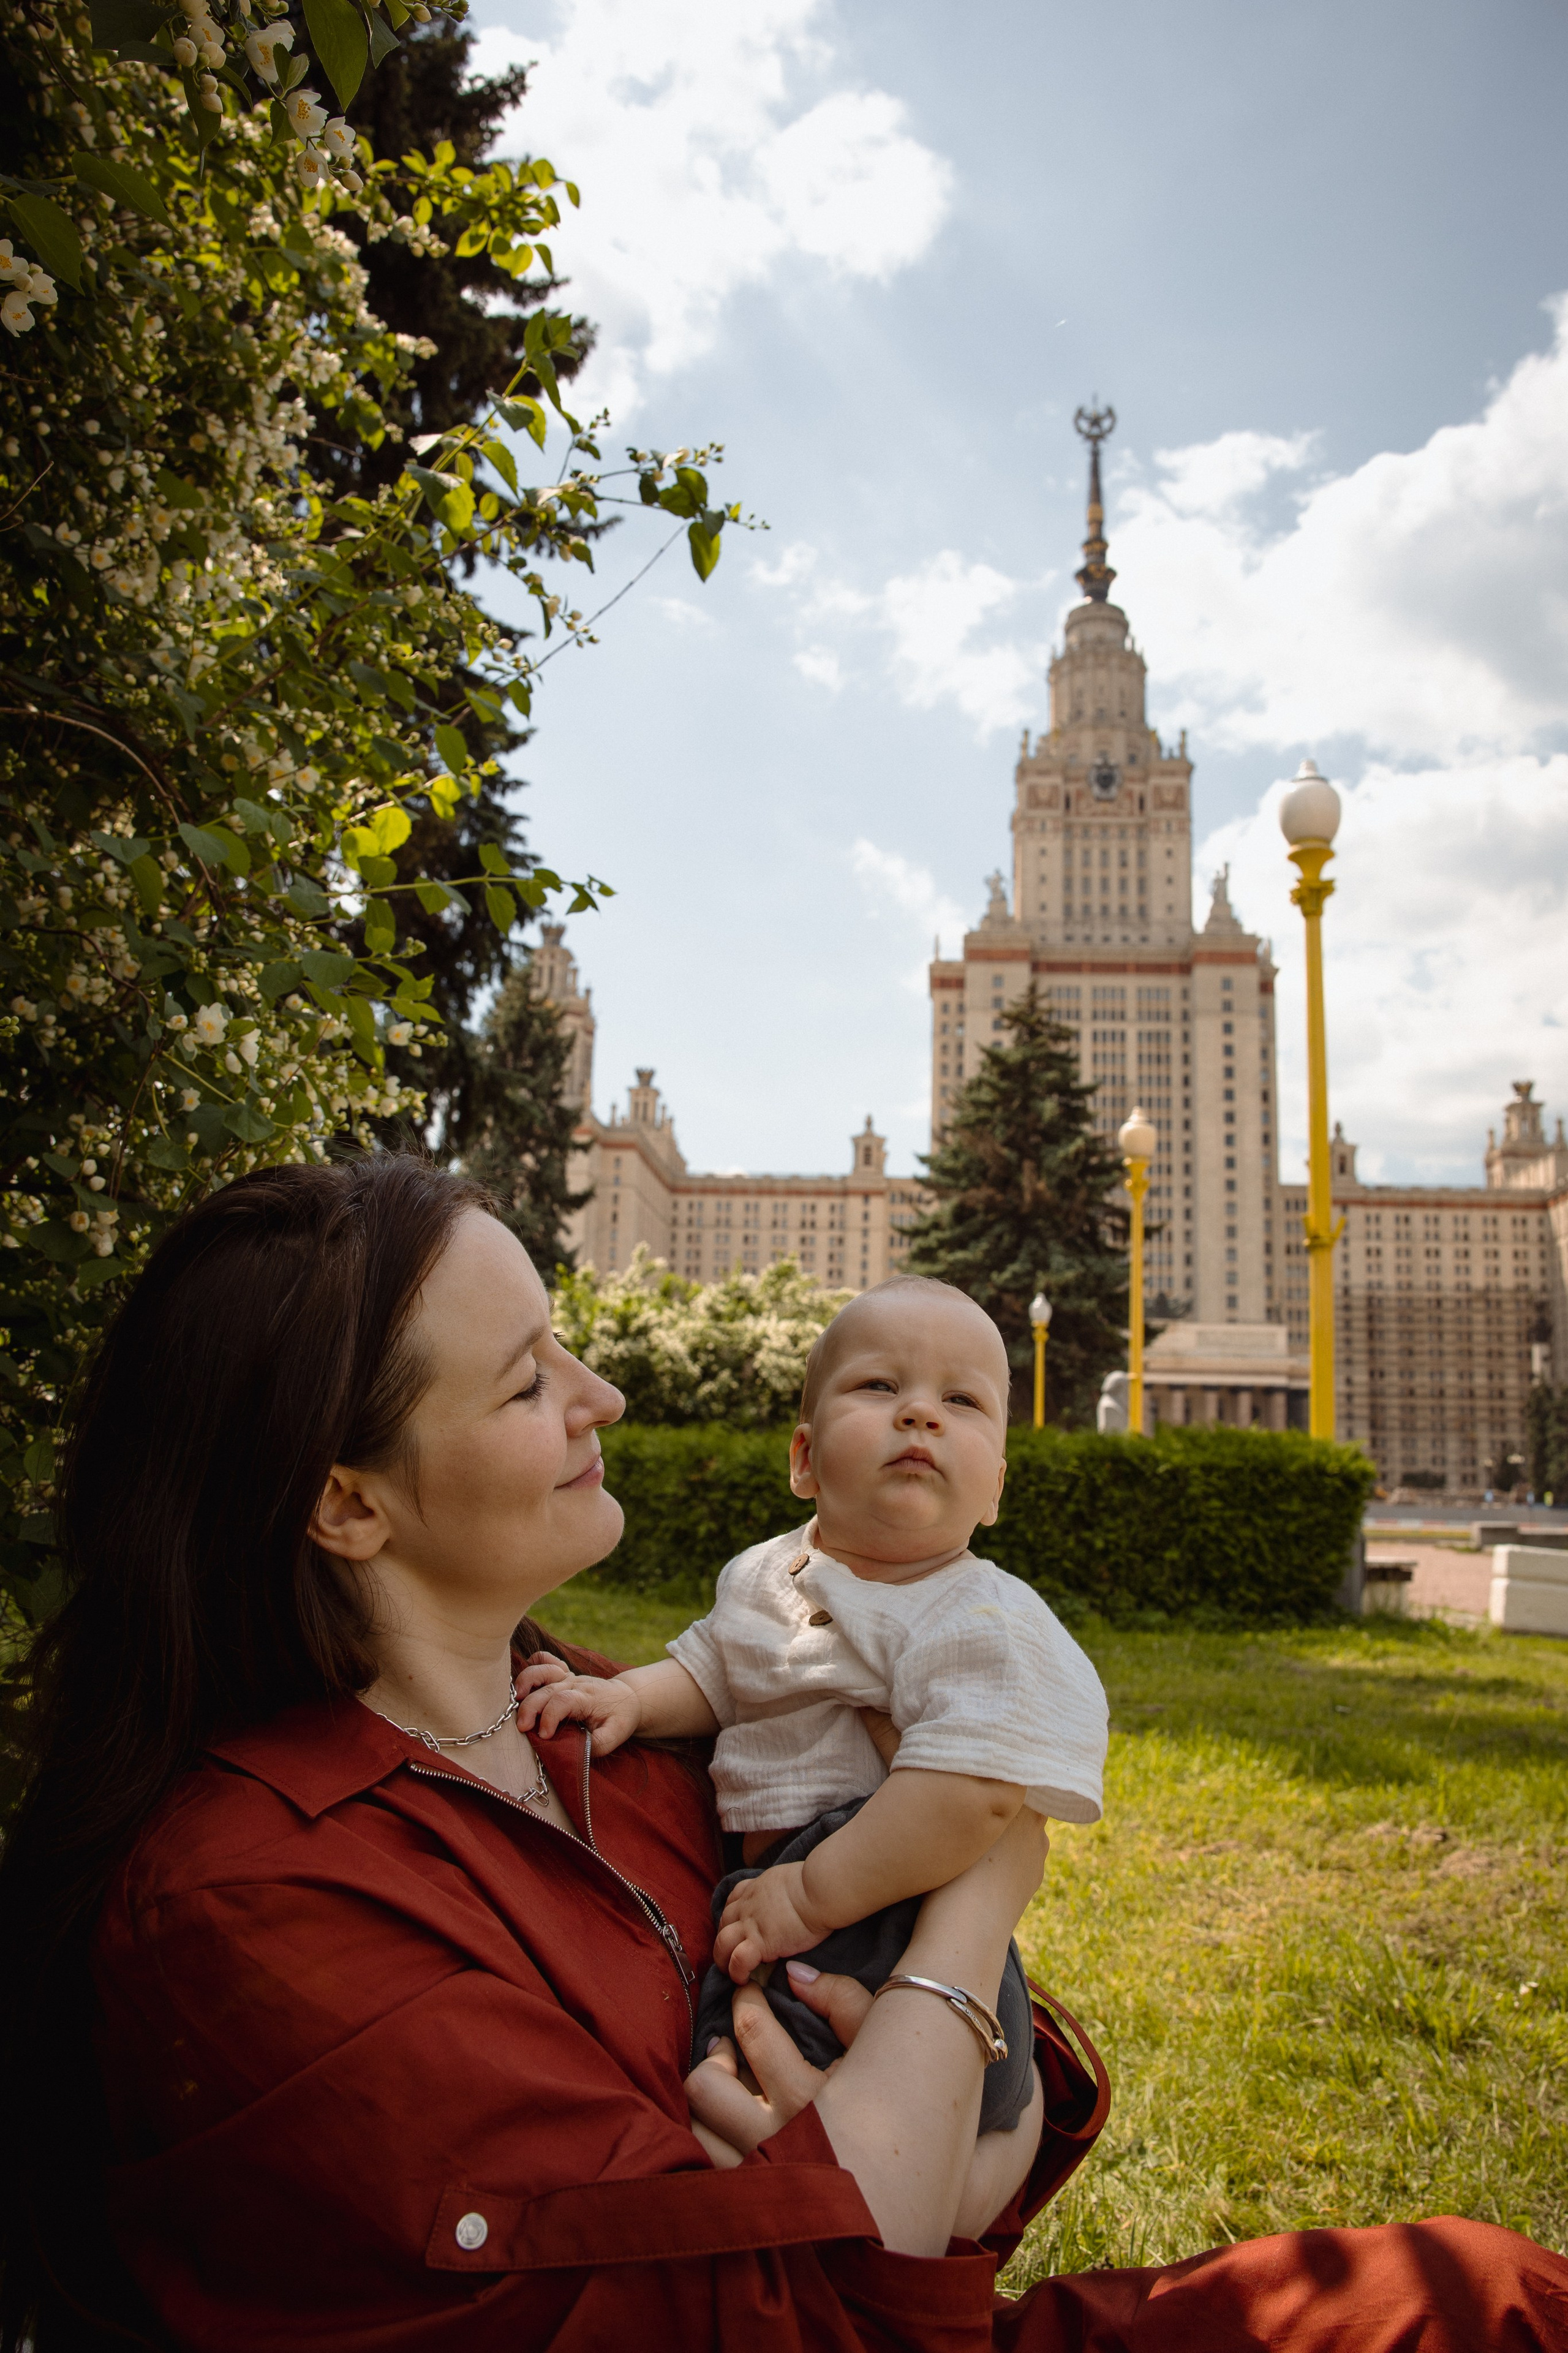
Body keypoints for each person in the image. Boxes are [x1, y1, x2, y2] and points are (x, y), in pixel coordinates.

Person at [0, 1154, 1562, 2353]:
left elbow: (944, 2166)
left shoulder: (593, 1718)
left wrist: (883, 2113)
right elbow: (773, 2298)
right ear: (347, 1503)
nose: (600, 1394)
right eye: (529, 1378)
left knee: (1489, 2297)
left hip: (904, 2289)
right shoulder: (257, 1899)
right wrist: (977, 1899)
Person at [515, 1276, 1108, 2137]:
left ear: (995, 1493)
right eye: (880, 1386)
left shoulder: (982, 1617)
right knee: (735, 2077)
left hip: (882, 1910)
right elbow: (720, 1667)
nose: (920, 1414)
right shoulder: (766, 1576)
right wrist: (631, 1697)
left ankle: (854, 2203)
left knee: (763, 2116)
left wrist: (810, 1896)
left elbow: (971, 1793)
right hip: (775, 1893)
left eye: (961, 1399)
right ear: (803, 1458)